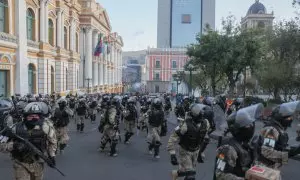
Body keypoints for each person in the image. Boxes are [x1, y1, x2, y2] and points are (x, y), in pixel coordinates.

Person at [0, 102, 57, 180]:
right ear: (25, 116)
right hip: (21, 163)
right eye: (30, 116)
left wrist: (52, 155)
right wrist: (14, 145)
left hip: (38, 162)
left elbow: (52, 142)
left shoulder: (46, 127)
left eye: (36, 116)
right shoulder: (14, 128)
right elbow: (1, 145)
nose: (33, 118)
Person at [215, 104, 263, 180]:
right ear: (237, 129)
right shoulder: (228, 149)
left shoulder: (245, 143)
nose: (250, 126)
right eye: (247, 125)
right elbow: (220, 175)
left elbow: (248, 165)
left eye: (251, 123)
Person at [167, 104, 210, 180]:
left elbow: (204, 135)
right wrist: (172, 154)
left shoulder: (206, 123)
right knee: (191, 175)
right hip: (185, 151)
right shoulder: (185, 125)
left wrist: (201, 151)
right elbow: (173, 137)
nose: (201, 116)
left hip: (196, 151)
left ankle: (175, 174)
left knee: (186, 172)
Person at [258, 101, 300, 169]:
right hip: (265, 168)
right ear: (280, 118)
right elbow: (267, 152)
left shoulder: (279, 128)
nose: (291, 119)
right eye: (288, 118)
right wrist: (288, 155)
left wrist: (294, 150)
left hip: (272, 166)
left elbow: (278, 146)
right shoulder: (271, 130)